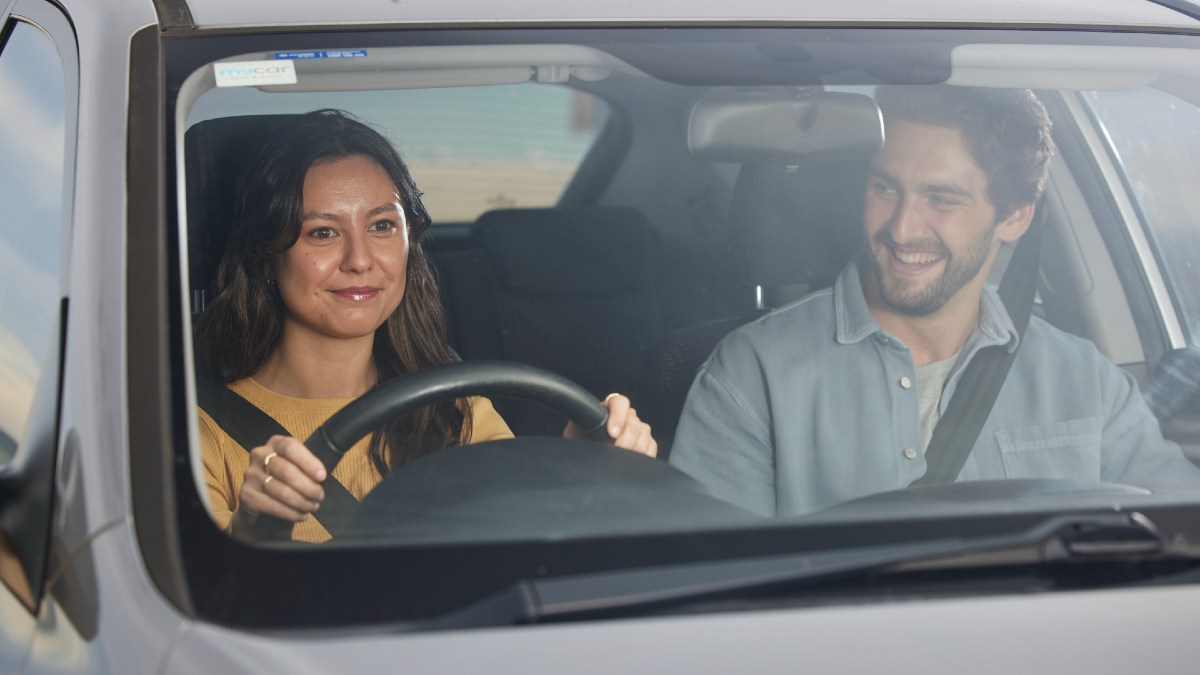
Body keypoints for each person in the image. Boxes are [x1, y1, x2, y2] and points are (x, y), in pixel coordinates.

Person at [669, 85, 1200, 517]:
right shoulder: (753, 372)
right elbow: (709, 588)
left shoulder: (1088, 382)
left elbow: (1179, 544)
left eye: (941, 199)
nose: (902, 228)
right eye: (885, 188)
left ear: (1014, 216)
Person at [196, 109, 656, 543]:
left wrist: (578, 467)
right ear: (266, 257)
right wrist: (249, 529)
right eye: (322, 232)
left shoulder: (458, 411)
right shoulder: (203, 432)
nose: (360, 260)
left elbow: (519, 546)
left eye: (381, 226)